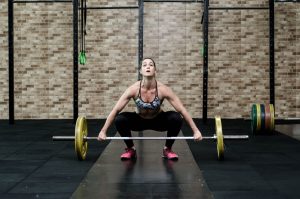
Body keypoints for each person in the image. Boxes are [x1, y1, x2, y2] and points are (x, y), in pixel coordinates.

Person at [98, 58, 202, 160]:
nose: (148, 66)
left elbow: (182, 110)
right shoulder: (133, 89)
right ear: (141, 71)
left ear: (155, 70)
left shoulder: (163, 89)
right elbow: (115, 110)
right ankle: (130, 149)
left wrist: (196, 131)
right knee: (120, 119)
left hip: (158, 120)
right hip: (139, 120)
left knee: (176, 117)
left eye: (151, 65)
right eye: (144, 65)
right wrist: (103, 131)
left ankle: (167, 149)